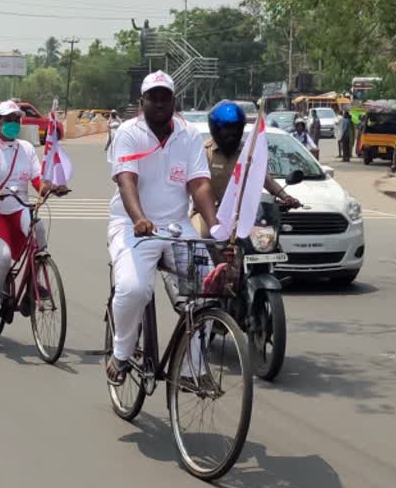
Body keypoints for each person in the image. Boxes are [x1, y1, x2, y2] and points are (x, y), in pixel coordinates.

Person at [104, 70, 221, 384]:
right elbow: (126, 179)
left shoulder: (188, 135)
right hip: (132, 226)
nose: (158, 102)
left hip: (177, 227)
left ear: (173, 100)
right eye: (152, 97)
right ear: (142, 101)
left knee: (208, 290)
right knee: (133, 288)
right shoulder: (128, 132)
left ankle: (191, 368)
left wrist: (216, 226)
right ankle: (122, 352)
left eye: (164, 96)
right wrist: (139, 217)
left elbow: (199, 184)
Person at [0, 101, 64, 330]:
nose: (12, 124)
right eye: (7, 120)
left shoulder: (26, 148)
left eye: (16, 120)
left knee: (39, 229)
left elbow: (37, 179)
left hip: (19, 206)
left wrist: (50, 188)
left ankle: (33, 283)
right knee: (1, 258)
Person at [192, 101, 300, 241]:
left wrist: (285, 196)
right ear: (216, 129)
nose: (232, 133)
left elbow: (265, 179)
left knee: (265, 240)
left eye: (236, 128)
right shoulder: (204, 153)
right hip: (208, 215)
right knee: (201, 239)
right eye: (227, 128)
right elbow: (199, 185)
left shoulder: (248, 153)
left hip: (242, 217)